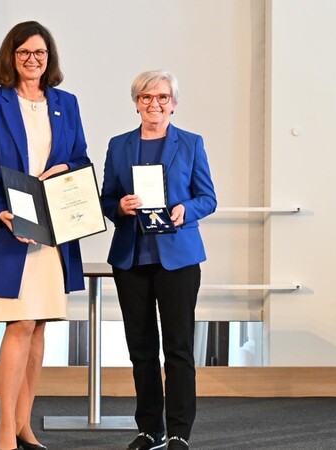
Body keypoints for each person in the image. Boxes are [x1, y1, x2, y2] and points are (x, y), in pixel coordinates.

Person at [0, 21, 89, 450]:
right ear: (10, 57)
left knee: (40, 328)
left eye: (40, 53)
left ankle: (23, 423)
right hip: (9, 229)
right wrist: (5, 215)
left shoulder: (66, 103)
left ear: (49, 58)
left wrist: (66, 170)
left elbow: (81, 158)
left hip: (54, 227)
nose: (32, 60)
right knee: (19, 323)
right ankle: (3, 427)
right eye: (24, 53)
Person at [100, 70, 217, 450]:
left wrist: (187, 209)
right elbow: (105, 198)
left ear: (174, 103)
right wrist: (118, 206)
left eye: (163, 97)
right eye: (147, 97)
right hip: (131, 259)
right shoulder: (119, 146)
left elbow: (208, 197)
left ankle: (180, 432)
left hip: (178, 259)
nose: (155, 104)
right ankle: (150, 429)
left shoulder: (192, 143)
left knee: (179, 348)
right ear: (136, 102)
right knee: (141, 349)